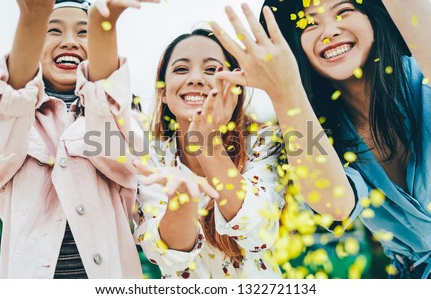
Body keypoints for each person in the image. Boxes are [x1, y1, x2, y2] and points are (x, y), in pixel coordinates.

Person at [247, 0, 430, 278]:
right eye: (308, 23)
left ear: (373, 19)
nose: (329, 31)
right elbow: (336, 205)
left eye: (344, 11)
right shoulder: (312, 132)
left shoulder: (421, 76)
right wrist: (283, 90)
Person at [0, 0, 158, 278]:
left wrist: (106, 23)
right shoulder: (12, 125)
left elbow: (107, 120)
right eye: (52, 30)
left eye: (84, 32)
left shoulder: (126, 121)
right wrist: (32, 18)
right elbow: (9, 106)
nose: (70, 41)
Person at [132, 28, 285, 278]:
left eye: (212, 70)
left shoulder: (263, 144)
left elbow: (259, 233)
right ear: (163, 92)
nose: (195, 78)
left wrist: (208, 144)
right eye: (181, 69)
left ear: (233, 88)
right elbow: (166, 256)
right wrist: (183, 199)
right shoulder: (151, 158)